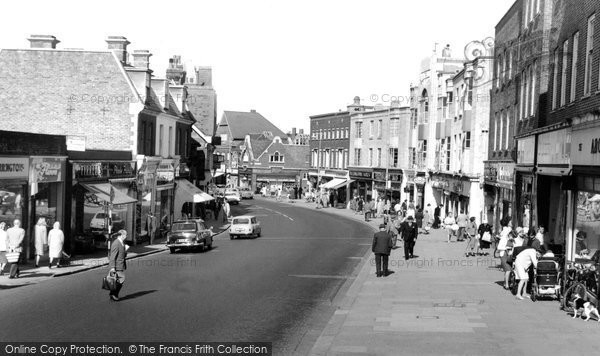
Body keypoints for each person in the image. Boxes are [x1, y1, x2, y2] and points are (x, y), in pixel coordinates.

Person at [108, 230, 128, 301]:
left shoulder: (121, 243)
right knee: (121, 279)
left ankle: (113, 294)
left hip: (120, 265)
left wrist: (125, 250)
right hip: (117, 265)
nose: (126, 236)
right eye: (126, 235)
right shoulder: (116, 243)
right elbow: (112, 256)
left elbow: (122, 254)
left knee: (117, 280)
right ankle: (114, 294)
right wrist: (112, 267)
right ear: (121, 235)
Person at [497, 216, 513, 290]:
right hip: (504, 253)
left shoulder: (505, 231)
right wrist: (507, 247)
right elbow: (501, 245)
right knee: (508, 269)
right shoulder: (506, 231)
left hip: (507, 252)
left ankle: (505, 283)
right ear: (507, 223)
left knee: (508, 269)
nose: (511, 223)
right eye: (510, 222)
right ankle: (506, 285)